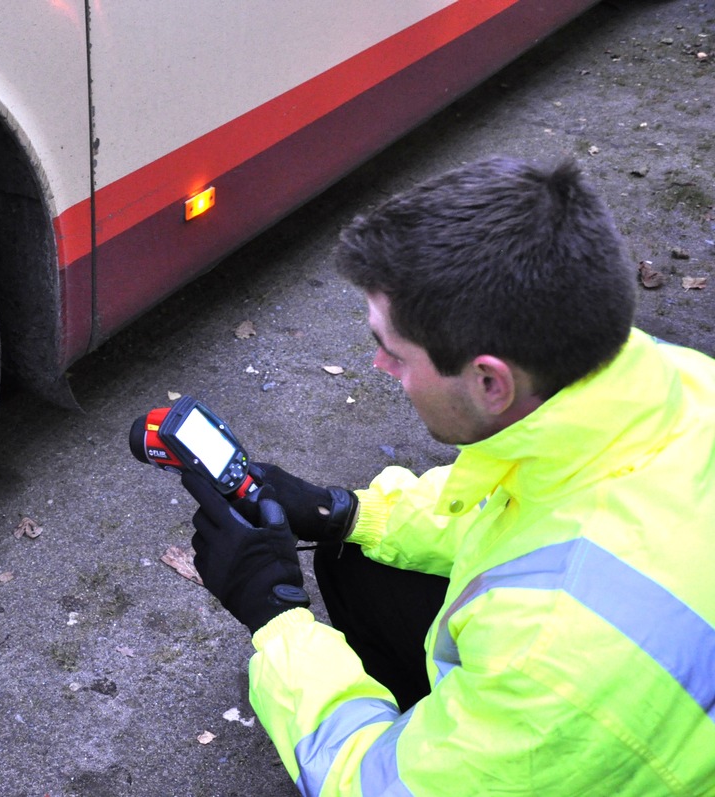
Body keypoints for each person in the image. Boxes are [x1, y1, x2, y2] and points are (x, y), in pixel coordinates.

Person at [181, 157, 715, 796]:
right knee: (357, 559)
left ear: (490, 380)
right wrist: (347, 511)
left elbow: (372, 788)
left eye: (395, 351)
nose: (381, 366)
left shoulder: (547, 656)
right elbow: (523, 501)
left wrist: (275, 616)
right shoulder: (675, 378)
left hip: (599, 716)